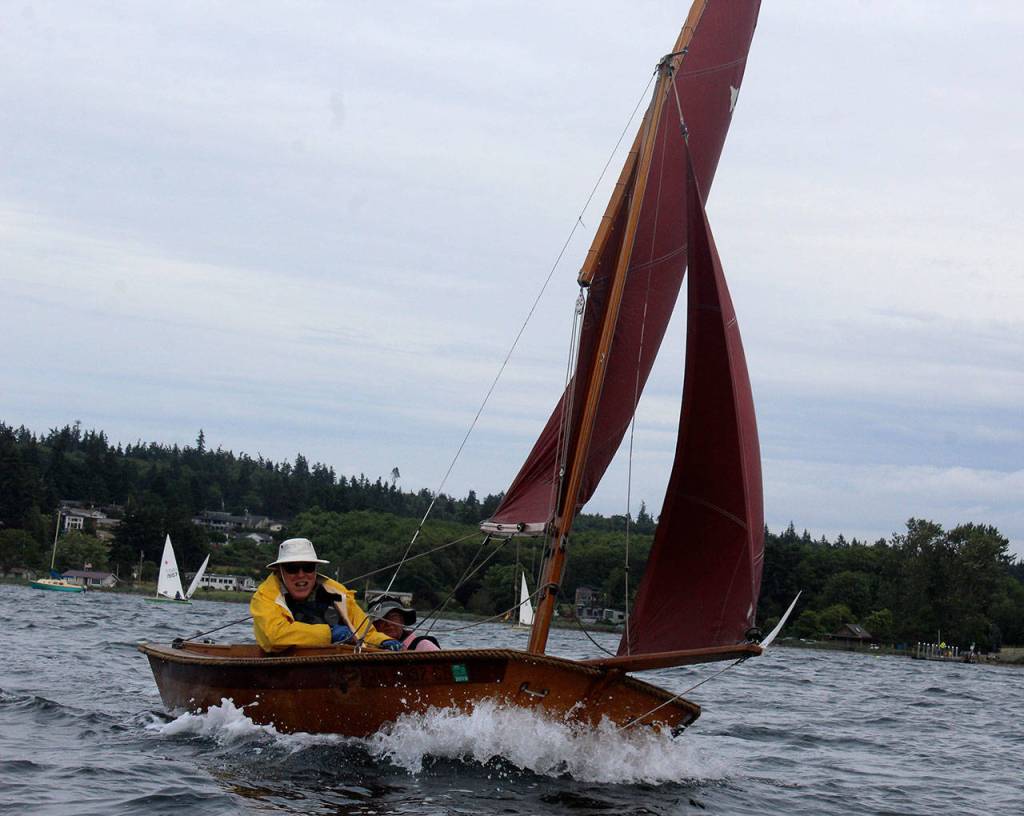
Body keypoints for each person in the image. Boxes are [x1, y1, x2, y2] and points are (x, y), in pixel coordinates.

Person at [251, 538, 402, 653]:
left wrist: (384, 641)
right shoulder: (265, 596)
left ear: (315, 569)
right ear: (279, 570)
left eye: (308, 568)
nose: (301, 575)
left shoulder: (338, 592)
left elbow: (364, 632)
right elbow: (274, 636)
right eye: (292, 569)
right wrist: (329, 634)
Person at [368, 596, 440, 652]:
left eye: (393, 617)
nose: (388, 623)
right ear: (372, 625)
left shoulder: (423, 645)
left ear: (402, 621)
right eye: (381, 619)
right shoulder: (363, 648)